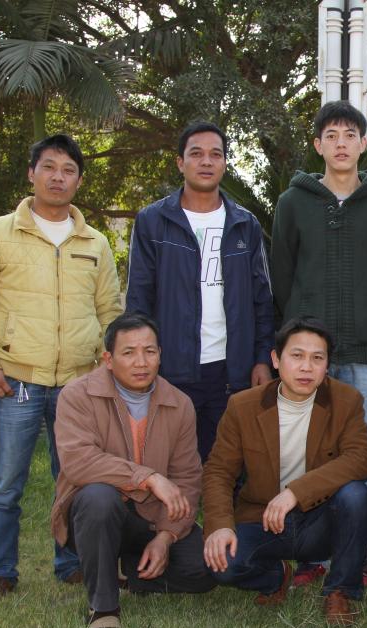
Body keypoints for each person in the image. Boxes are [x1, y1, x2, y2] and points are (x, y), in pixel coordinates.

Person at [0, 134, 122, 605]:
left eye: (68, 170)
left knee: (75, 479)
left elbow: (110, 312)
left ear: (79, 180)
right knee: (5, 483)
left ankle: (72, 564)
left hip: (78, 384)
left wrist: (108, 369)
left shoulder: (95, 242)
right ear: (32, 173)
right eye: (48, 167)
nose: (58, 177)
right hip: (14, 382)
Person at [202, 317, 367, 625]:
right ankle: (275, 576)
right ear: (275, 359)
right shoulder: (243, 406)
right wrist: (219, 526)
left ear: (326, 366)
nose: (306, 367)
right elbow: (218, 472)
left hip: (320, 520)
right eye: (297, 356)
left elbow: (361, 459)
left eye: (317, 358)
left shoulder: (346, 401)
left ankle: (340, 591)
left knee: (356, 495)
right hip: (262, 519)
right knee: (221, 564)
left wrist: (296, 492)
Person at [51, 312, 214, 628]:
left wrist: (165, 537)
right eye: (129, 353)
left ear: (160, 355)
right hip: (94, 514)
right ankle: (104, 606)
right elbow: (79, 462)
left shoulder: (179, 403)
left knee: (205, 570)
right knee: (99, 497)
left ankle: (127, 569)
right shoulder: (76, 395)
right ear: (108, 360)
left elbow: (187, 478)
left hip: (150, 518)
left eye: (149, 351)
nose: (141, 362)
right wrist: (149, 477)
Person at [126, 121, 274, 462]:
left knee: (227, 466)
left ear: (225, 163)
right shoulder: (153, 221)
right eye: (196, 154)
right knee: (171, 463)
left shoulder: (245, 224)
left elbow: (262, 299)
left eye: (215, 154)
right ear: (181, 162)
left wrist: (261, 358)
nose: (206, 161)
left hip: (232, 370)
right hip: (172, 368)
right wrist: (142, 359)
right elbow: (139, 300)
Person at [271, 101, 367, 457]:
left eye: (350, 135)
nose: (341, 144)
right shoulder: (292, 202)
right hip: (307, 358)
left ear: (364, 143)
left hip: (366, 355)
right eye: (331, 136)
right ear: (318, 145)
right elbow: (282, 277)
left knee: (363, 457)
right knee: (305, 457)